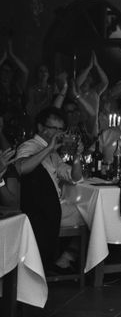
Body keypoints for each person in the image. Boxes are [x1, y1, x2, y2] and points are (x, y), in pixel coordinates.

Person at [15, 107, 85, 271]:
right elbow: (21, 168)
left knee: (90, 210)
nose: (58, 133)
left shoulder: (54, 153)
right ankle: (66, 258)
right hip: (36, 210)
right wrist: (48, 148)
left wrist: (77, 156)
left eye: (61, 129)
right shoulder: (30, 145)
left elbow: (74, 177)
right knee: (91, 212)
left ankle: (65, 257)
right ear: (40, 127)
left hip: (50, 207)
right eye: (54, 128)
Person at [74, 51, 109, 137]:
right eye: (83, 75)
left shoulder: (95, 91)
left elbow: (105, 81)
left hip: (93, 132)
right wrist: (89, 67)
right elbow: (77, 84)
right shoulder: (75, 91)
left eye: (88, 76)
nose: (86, 78)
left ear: (92, 79)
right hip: (78, 131)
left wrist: (96, 65)